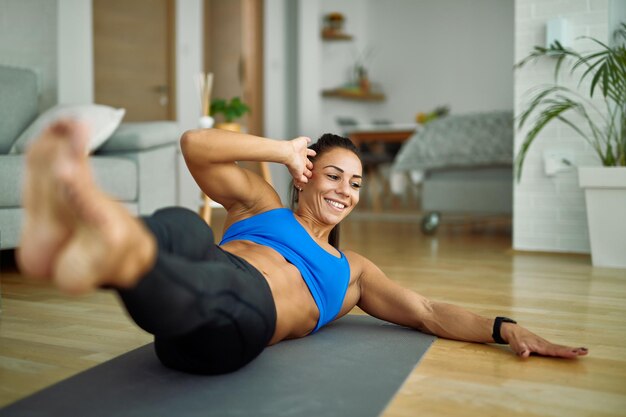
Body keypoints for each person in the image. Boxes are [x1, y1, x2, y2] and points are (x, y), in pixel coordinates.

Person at [17, 120, 588, 375]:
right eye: (334, 176)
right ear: (305, 176)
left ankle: (92, 242)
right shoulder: (261, 204)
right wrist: (281, 148)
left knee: (215, 287)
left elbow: (427, 312)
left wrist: (503, 326)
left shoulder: (353, 272)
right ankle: (99, 246)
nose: (346, 191)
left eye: (356, 183)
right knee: (185, 230)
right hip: (187, 303)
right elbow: (195, 144)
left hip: (236, 327)